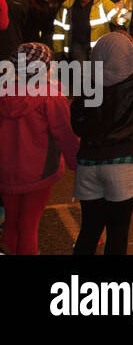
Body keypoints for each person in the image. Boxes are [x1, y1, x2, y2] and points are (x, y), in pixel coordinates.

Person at [71, 31, 133, 256]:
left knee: (89, 230)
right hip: (124, 164)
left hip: (88, 163)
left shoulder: (88, 81)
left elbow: (77, 124)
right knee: (118, 232)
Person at [0, 43, 80, 254]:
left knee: (10, 223)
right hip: (40, 172)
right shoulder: (51, 96)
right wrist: (77, 164)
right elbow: (65, 135)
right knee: (29, 226)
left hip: (5, 171)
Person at [53, 0, 118, 62]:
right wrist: (58, 50)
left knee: (95, 72)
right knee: (81, 72)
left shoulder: (104, 4)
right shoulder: (67, 6)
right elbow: (59, 29)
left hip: (97, 48)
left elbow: (117, 17)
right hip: (77, 46)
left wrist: (123, 19)